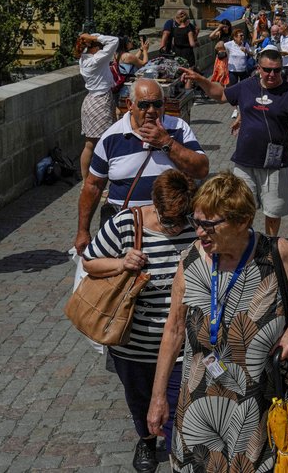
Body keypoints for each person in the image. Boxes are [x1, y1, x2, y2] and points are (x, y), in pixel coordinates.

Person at [145, 172, 288, 472]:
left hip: (256, 406)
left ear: (242, 222)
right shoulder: (190, 261)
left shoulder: (277, 255)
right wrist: (158, 397)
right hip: (197, 404)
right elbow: (174, 330)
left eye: (209, 225)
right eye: (195, 222)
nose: (199, 232)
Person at [84, 169, 198, 473]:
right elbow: (89, 262)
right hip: (133, 345)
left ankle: (178, 454)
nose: (176, 228)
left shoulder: (195, 226)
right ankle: (146, 441)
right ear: (154, 205)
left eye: (181, 220)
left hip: (181, 346)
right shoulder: (126, 223)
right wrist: (121, 263)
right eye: (168, 221)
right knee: (140, 400)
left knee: (177, 408)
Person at [181, 49, 288, 237]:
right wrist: (200, 79)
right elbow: (220, 95)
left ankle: (269, 244)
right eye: (267, 70)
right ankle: (243, 243)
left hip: (276, 163)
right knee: (241, 210)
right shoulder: (247, 86)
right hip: (245, 162)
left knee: (273, 212)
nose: (272, 74)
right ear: (259, 68)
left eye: (277, 70)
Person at [75, 79, 209, 256]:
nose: (152, 110)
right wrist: (83, 231)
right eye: (144, 105)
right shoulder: (111, 137)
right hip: (126, 233)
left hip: (172, 230)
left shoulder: (178, 128)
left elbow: (201, 169)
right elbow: (93, 186)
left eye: (157, 104)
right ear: (130, 105)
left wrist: (167, 143)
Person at [78, 33, 121, 179]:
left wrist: (91, 38)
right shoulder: (97, 59)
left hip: (93, 100)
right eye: (100, 47)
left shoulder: (84, 59)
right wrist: (94, 38)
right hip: (100, 102)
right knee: (98, 144)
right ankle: (94, 180)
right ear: (95, 48)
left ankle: (86, 180)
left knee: (90, 144)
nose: (102, 49)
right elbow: (114, 40)